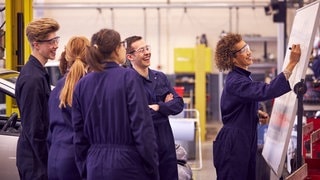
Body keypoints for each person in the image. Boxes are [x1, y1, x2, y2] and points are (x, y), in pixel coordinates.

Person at [72, 29, 159, 180]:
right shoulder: (129, 77)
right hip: (127, 165)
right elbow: (142, 127)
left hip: (94, 164)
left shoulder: (82, 84)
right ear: (117, 48)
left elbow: (78, 134)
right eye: (123, 45)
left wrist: (85, 168)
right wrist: (152, 166)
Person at [212, 33, 301, 180]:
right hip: (234, 142)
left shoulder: (243, 77)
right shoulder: (236, 81)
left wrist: (256, 112)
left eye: (247, 47)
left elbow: (237, 106)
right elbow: (267, 91)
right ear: (233, 58)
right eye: (243, 50)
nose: (249, 52)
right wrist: (291, 64)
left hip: (244, 138)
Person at [125, 35, 184, 180]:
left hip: (166, 145)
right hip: (142, 146)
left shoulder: (160, 77)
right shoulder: (127, 81)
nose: (147, 52)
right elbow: (135, 114)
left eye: (147, 48)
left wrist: (159, 107)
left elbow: (178, 104)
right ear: (130, 57)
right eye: (141, 50)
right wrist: (165, 107)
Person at [15, 17, 60, 180]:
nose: (56, 45)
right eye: (51, 41)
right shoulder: (32, 79)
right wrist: (48, 161)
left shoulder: (38, 73)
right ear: (36, 44)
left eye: (56, 39)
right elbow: (34, 128)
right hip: (36, 163)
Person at [47, 36, 90, 180]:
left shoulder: (57, 87)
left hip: (54, 158)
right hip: (76, 162)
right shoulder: (88, 87)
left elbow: (50, 130)